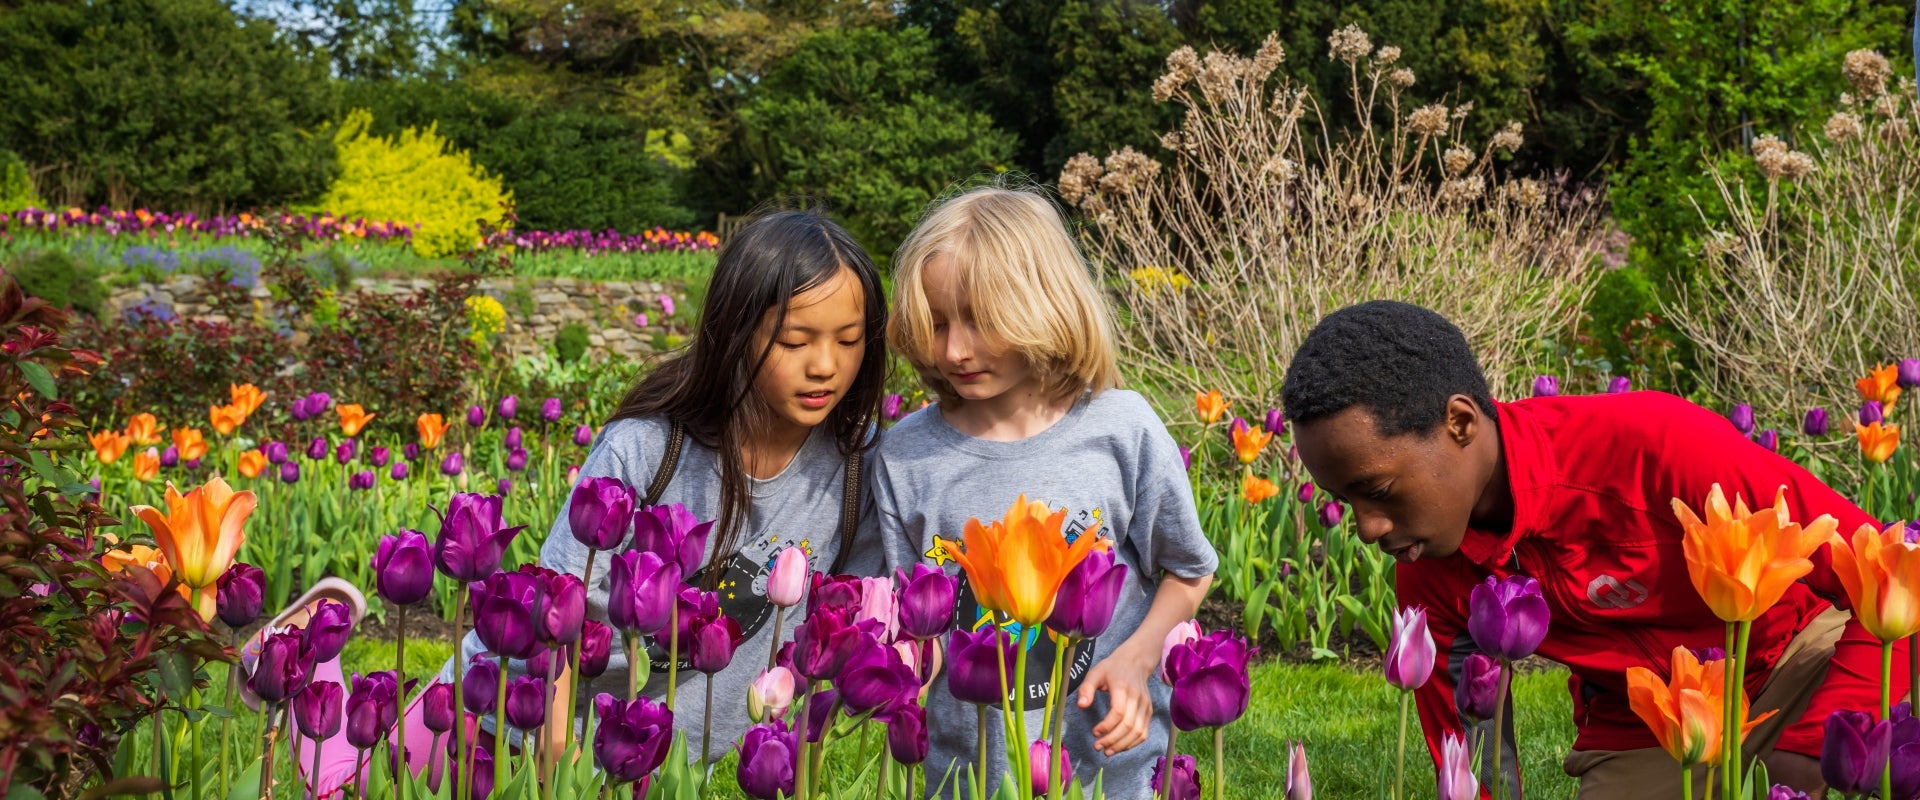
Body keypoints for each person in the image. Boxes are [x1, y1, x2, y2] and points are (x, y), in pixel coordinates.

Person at [246, 208, 892, 796]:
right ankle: (303, 658)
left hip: (645, 748)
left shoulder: (856, 466)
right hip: (507, 714)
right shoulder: (647, 449)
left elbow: (845, 624)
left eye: (849, 339)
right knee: (343, 786)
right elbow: (553, 597)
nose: (825, 366)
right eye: (795, 340)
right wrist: (555, 748)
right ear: (735, 333)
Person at [1281, 299, 1899, 798]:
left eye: (1379, 491)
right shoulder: (1433, 569)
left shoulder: (1657, 450)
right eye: (1346, 500)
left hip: (1792, 660)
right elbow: (1467, 763)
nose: (1366, 528)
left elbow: (1891, 577)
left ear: (1460, 423)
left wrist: (1813, 750)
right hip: (1643, 726)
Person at [870, 185, 1218, 798]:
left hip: (1107, 766)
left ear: (1044, 304)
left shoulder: (1120, 429)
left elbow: (1189, 570)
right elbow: (912, 627)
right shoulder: (907, 456)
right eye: (938, 321)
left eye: (978, 320)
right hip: (966, 775)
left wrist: (1137, 658)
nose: (954, 349)